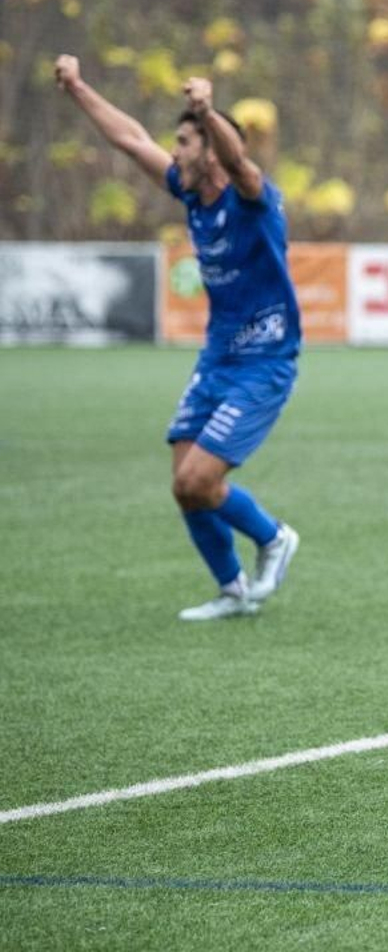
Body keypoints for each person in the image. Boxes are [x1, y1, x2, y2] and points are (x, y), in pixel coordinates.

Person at [55, 55, 300, 621]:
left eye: (184, 142)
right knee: (184, 485)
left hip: (265, 360)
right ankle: (233, 590)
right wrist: (78, 87)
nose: (174, 151)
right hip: (218, 358)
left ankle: (273, 537)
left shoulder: (253, 198)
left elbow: (239, 162)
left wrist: (208, 112)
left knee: (200, 479)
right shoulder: (190, 193)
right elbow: (131, 139)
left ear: (209, 151)